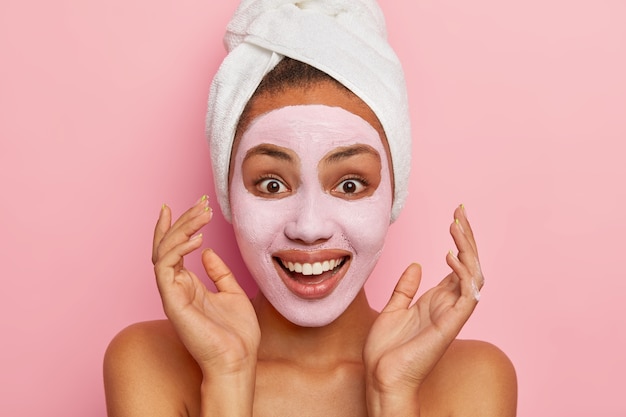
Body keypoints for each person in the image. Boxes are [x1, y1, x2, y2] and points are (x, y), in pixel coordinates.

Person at [104, 1, 517, 416]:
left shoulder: (474, 378)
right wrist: (228, 377)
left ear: (394, 193)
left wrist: (391, 393)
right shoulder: (149, 362)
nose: (309, 226)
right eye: (272, 184)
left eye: (350, 184)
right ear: (228, 193)